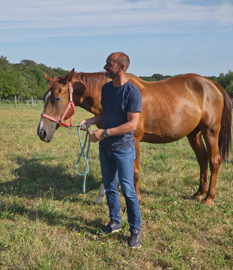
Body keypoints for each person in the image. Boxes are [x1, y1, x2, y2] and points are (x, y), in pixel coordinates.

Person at [79, 52, 142, 248]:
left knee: (129, 191)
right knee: (110, 187)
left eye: (109, 64)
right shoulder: (106, 89)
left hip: (123, 149)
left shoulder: (132, 93)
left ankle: (135, 230)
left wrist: (103, 133)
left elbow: (132, 125)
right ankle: (115, 221)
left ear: (121, 67)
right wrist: (90, 121)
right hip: (105, 149)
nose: (105, 67)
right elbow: (105, 113)